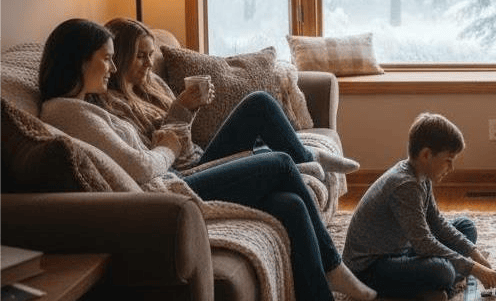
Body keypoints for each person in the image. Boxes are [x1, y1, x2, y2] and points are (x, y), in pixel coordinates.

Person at [38, 18, 382, 301]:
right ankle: (331, 265)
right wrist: (166, 146)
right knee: (278, 163)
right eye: (107, 59)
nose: (112, 69)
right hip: (164, 194)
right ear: (79, 61)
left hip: (171, 179)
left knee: (288, 203)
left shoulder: (81, 106)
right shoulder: (68, 112)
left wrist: (173, 133)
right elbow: (143, 168)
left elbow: (141, 157)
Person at [102, 17, 358, 180]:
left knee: (260, 108)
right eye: (140, 56)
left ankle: (306, 156)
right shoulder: (114, 106)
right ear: (120, 56)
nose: (149, 63)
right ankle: (306, 158)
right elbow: (157, 150)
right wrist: (181, 108)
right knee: (259, 105)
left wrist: (191, 108)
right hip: (185, 171)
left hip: (197, 155)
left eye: (150, 55)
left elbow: (181, 131)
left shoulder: (153, 84)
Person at [342, 112, 496, 301]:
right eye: (448, 160)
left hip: (402, 248)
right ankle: (431, 288)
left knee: (466, 227)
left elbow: (437, 223)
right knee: (443, 271)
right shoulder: (405, 185)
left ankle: (429, 289)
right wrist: (473, 268)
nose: (451, 168)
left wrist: (474, 254)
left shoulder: (422, 175)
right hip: (370, 268)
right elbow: (424, 244)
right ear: (426, 155)